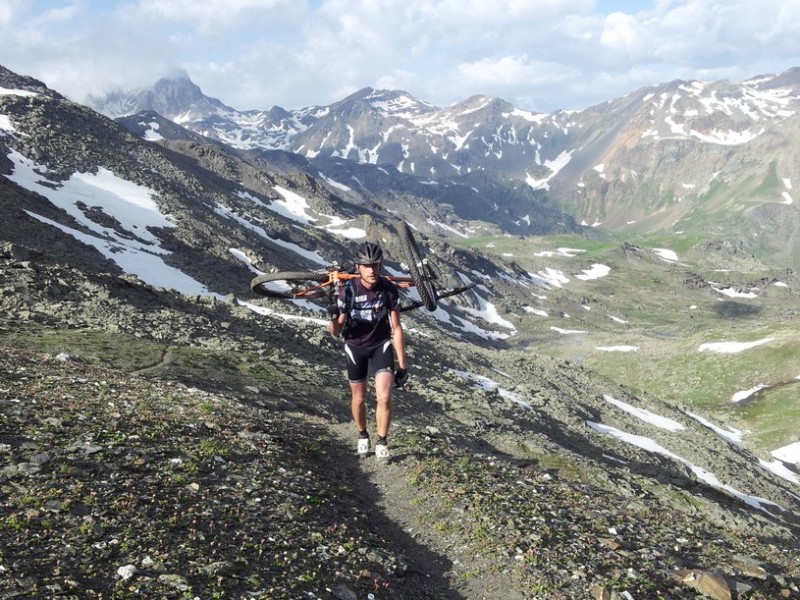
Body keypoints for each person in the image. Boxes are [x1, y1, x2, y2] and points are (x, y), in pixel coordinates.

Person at [328, 242, 408, 462]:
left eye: (375, 265)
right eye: (366, 265)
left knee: (384, 396)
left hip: (380, 345)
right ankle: (363, 434)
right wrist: (333, 317)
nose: (371, 270)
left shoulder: (388, 289)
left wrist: (402, 365)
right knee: (359, 398)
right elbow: (336, 331)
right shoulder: (349, 290)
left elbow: (397, 328)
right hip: (355, 347)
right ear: (358, 267)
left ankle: (382, 441)